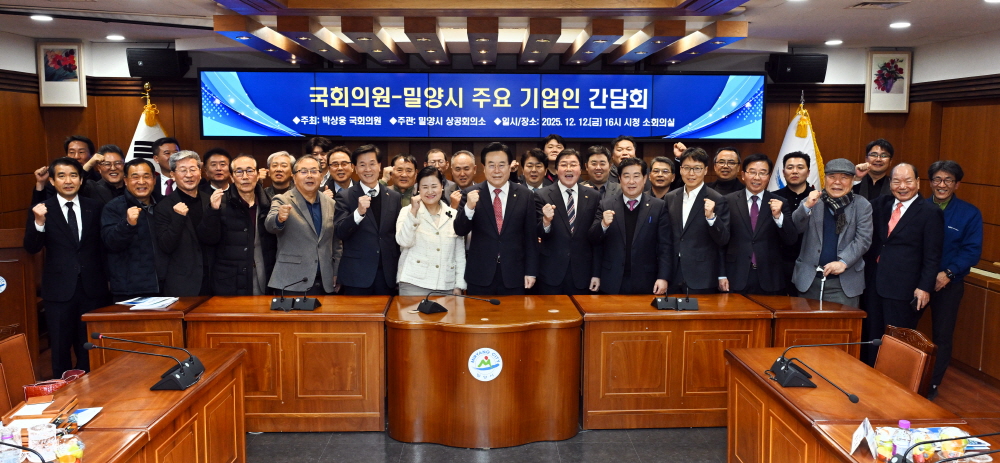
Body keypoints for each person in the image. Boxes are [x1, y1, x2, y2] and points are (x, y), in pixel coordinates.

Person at [24, 157, 108, 376]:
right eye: (61, 176)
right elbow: (31, 247)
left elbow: (103, 246)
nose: (68, 181)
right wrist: (39, 223)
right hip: (58, 290)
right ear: (52, 181)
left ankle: (92, 389)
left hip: (92, 289)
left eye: (73, 175)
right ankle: (62, 391)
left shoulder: (95, 207)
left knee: (89, 347)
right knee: (60, 348)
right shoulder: (42, 209)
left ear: (81, 180)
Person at [863, 163, 943, 365]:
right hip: (874, 284)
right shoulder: (881, 204)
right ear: (890, 183)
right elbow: (855, 200)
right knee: (872, 336)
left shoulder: (930, 212)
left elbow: (932, 255)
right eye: (897, 181)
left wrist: (924, 287)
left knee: (897, 341)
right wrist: (856, 177)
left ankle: (893, 380)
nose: (902, 186)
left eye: (908, 181)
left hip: (904, 289)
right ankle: (870, 376)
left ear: (918, 182)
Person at [924, 160, 983, 400]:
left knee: (942, 335)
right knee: (903, 329)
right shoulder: (918, 207)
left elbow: (972, 251)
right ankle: (904, 375)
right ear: (930, 183)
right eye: (937, 179)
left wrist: (948, 273)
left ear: (957, 184)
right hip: (917, 281)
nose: (942, 184)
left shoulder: (970, 213)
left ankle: (932, 384)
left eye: (948, 180)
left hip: (949, 283)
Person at [454, 142, 538, 295]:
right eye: (491, 165)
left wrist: (531, 271)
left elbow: (531, 238)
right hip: (480, 275)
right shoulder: (470, 193)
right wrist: (469, 208)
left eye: (502, 165)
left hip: (515, 275)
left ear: (510, 167)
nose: (497, 171)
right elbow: (459, 230)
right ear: (484, 168)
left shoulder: (525, 195)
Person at [791, 158, 872, 308]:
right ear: (825, 179)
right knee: (804, 323)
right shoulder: (812, 200)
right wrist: (807, 206)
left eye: (844, 177)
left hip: (844, 283)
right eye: (832, 177)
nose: (837, 182)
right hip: (809, 281)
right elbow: (795, 228)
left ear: (852, 180)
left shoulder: (862, 205)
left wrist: (843, 262)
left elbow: (863, 240)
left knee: (842, 323)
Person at [589, 157, 672, 295]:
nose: (631, 181)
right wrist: (603, 224)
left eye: (636, 176)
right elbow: (594, 240)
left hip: (646, 280)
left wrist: (663, 277)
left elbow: (665, 246)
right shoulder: (606, 204)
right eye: (626, 176)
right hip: (611, 279)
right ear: (619, 179)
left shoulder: (658, 206)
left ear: (644, 178)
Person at [720, 153, 797, 295]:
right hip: (735, 276)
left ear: (769, 177)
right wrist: (721, 274)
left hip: (770, 278)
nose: (757, 177)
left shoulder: (780, 202)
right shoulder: (728, 201)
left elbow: (791, 239)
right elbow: (720, 242)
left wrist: (778, 216)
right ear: (743, 175)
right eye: (752, 172)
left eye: (762, 173)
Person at [200, 154, 277, 296]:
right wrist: (213, 211)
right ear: (232, 177)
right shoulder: (220, 202)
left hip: (264, 278)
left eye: (250, 171)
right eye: (239, 172)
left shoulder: (269, 203)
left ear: (257, 175)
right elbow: (209, 239)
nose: (245, 177)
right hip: (230, 281)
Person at [266, 155, 341, 295]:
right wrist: (279, 218)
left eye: (314, 171)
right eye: (304, 171)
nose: (309, 175)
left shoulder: (331, 203)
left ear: (321, 176)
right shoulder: (283, 199)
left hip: (325, 281)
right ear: (294, 177)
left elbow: (336, 243)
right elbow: (270, 225)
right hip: (292, 281)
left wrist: (336, 271)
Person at [334, 145, 402, 295]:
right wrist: (358, 213)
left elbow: (397, 236)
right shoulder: (345, 196)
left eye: (372, 164)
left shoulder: (394, 197)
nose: (368, 169)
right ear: (355, 168)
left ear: (379, 166)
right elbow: (340, 232)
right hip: (356, 275)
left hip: (387, 275)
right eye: (362, 165)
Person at [664, 147, 730, 294]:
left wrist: (712, 218)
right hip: (673, 274)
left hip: (702, 276)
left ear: (705, 170)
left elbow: (723, 240)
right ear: (680, 169)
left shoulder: (717, 199)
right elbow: (666, 237)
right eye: (687, 168)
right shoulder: (670, 197)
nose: (691, 173)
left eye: (697, 168)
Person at [535, 149, 600, 295]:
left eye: (573, 164)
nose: (568, 169)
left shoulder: (593, 196)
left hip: (583, 274)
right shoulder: (542, 195)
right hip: (551, 273)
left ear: (581, 169)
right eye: (564, 165)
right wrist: (546, 221)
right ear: (556, 169)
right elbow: (538, 234)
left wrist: (596, 273)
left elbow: (596, 239)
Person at [395, 166, 466, 296]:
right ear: (418, 189)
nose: (430, 191)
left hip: (446, 284)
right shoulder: (407, 211)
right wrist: (413, 212)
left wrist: (459, 285)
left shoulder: (453, 214)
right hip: (413, 284)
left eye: (434, 186)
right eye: (425, 187)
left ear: (442, 187)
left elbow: (459, 254)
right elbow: (404, 242)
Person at [101, 158, 165, 299]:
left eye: (146, 176)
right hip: (130, 290)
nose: (141, 182)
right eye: (135, 177)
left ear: (154, 180)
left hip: (166, 287)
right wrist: (127, 224)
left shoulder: (164, 204)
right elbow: (110, 243)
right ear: (125, 181)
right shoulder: (113, 207)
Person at [154, 151, 214, 296]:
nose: (189, 175)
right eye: (183, 170)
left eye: (193, 169)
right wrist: (178, 218)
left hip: (213, 281)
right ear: (173, 175)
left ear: (200, 172)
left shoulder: (210, 201)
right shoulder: (163, 206)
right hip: (183, 285)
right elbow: (166, 246)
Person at [773, 152, 815, 295]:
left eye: (800, 167)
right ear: (783, 172)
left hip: (809, 266)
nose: (795, 171)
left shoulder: (818, 198)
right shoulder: (773, 197)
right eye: (790, 167)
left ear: (808, 172)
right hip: (778, 264)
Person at [31, 135, 100, 204]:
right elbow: (39, 207)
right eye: (71, 152)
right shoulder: (58, 180)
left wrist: (87, 167)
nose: (76, 157)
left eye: (81, 152)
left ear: (92, 155)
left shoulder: (99, 179)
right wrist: (40, 183)